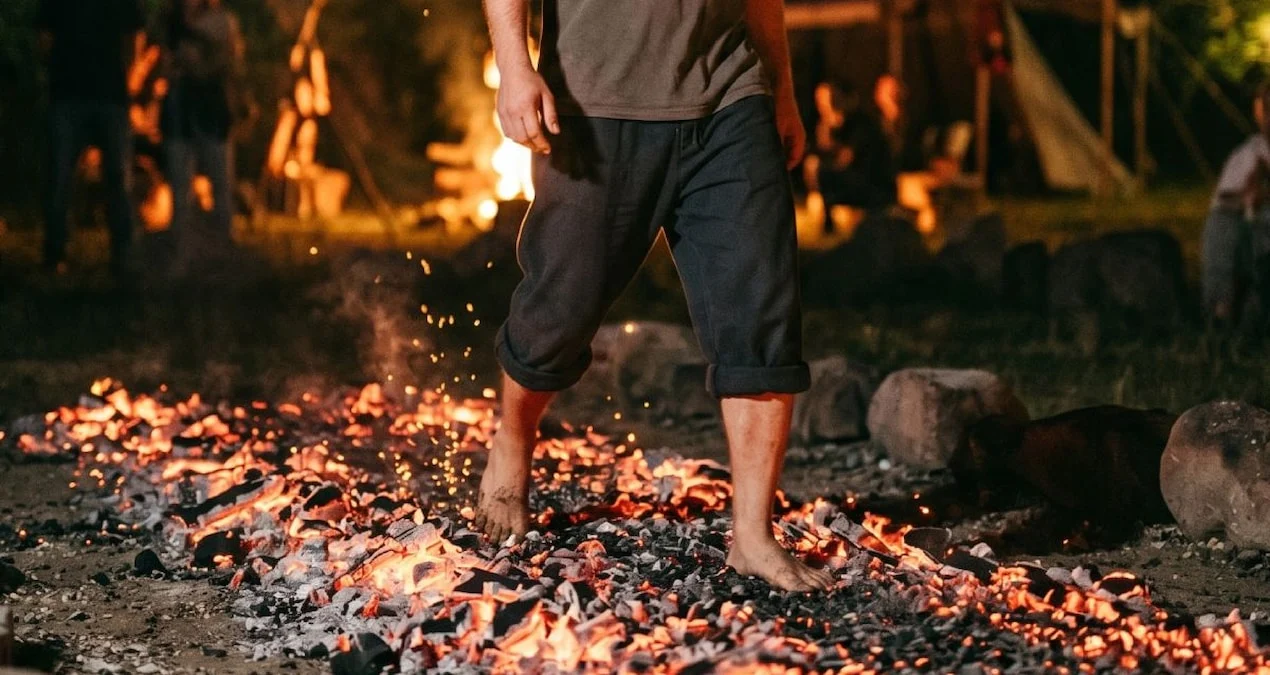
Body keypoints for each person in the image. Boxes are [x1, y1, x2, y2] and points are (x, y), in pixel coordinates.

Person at [476, 0, 834, 592]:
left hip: (730, 96)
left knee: (760, 309)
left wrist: (783, 88)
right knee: (559, 309)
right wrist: (514, 65)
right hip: (593, 104)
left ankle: (753, 534)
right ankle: (513, 441)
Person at [38, 0, 146, 278]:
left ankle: (122, 255)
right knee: (62, 177)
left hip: (102, 93)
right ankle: (57, 253)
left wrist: (129, 77)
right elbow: (45, 34)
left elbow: (135, 33)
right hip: (73, 93)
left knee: (114, 177)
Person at [162, 0, 245, 267]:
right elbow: (166, 62)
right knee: (179, 181)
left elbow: (226, 60)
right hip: (181, 107)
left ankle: (223, 244)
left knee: (220, 178)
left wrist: (198, 69)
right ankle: (181, 246)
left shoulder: (220, 21)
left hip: (211, 105)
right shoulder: (172, 22)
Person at [1201, 84, 1270, 323]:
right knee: (1224, 226)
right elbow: (1226, 201)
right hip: (1255, 233)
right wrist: (1251, 195)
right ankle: (1222, 307)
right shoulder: (1249, 154)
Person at [813, 80, 898, 234]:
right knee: (819, 169)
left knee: (823, 171)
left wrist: (829, 141)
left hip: (875, 185)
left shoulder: (861, 124)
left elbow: (845, 159)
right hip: (861, 180)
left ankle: (832, 222)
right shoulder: (838, 126)